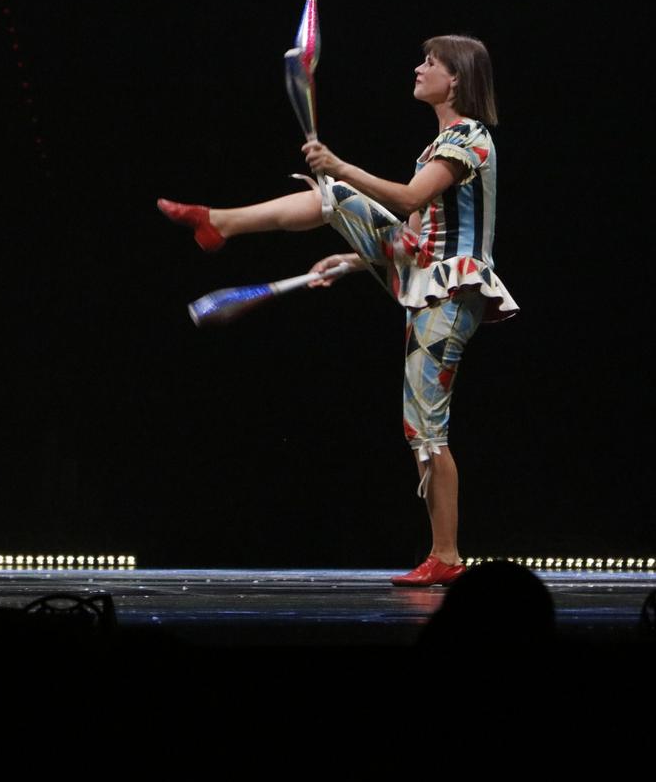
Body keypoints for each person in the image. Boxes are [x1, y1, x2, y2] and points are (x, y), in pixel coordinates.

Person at [158, 35, 516, 587]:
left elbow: (408, 200)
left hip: (450, 289)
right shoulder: (440, 143)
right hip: (424, 274)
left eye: (431, 63)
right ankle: (219, 222)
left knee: (426, 425)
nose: (419, 69)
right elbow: (412, 233)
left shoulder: (470, 138)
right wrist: (351, 261)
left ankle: (446, 554)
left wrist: (340, 164)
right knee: (333, 198)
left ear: (458, 80)